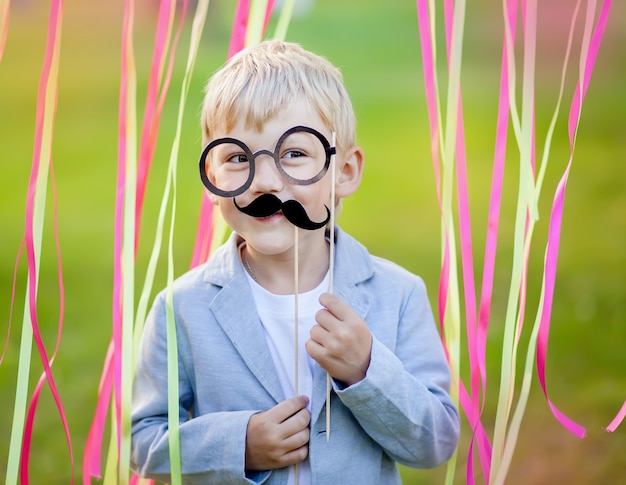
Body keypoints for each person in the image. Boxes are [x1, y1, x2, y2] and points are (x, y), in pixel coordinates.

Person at [131, 40, 460, 484]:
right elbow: (145, 443)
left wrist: (367, 372)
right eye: (237, 158)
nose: (265, 181)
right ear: (211, 178)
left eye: (294, 154)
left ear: (344, 172)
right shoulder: (181, 309)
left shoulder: (397, 294)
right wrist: (239, 444)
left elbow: (435, 442)